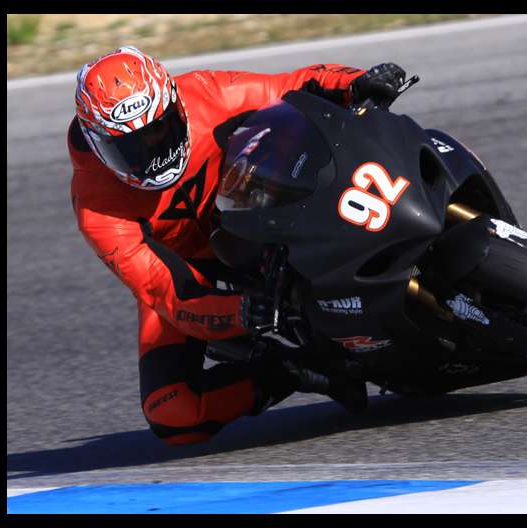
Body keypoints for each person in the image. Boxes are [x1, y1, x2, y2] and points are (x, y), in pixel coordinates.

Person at [69, 46, 406, 445]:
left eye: (162, 130)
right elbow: (167, 293)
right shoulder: (97, 207)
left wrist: (355, 81)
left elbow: (292, 87)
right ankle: (285, 370)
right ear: (97, 146)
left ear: (175, 104)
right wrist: (238, 313)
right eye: (132, 148)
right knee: (173, 411)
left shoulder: (206, 94)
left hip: (257, 209)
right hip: (188, 269)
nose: (155, 154)